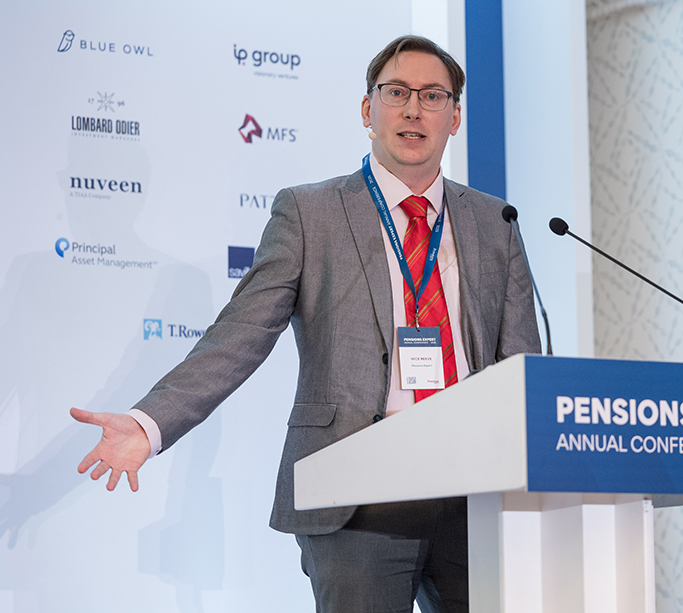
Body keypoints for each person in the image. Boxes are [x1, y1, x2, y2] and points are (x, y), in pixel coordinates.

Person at [71, 35, 542, 613]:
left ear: (455, 117)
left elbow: (523, 364)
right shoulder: (309, 212)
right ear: (368, 110)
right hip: (357, 492)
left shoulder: (495, 221)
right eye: (396, 92)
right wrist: (150, 423)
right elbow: (240, 335)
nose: (414, 109)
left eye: (432, 95)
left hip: (476, 490)